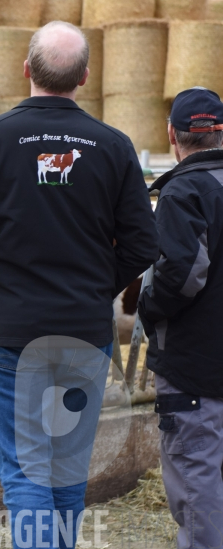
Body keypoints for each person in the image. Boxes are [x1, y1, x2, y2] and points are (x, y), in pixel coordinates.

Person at [0, 21, 158, 549]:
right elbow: (144, 245)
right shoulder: (113, 145)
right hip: (83, 331)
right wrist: (98, 287)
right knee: (66, 470)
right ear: (83, 78)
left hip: (15, 332)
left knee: (28, 470)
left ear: (26, 69)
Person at [138, 87, 223, 549]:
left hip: (195, 367)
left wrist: (148, 308)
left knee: (199, 484)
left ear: (172, 134)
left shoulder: (184, 189)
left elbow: (183, 274)